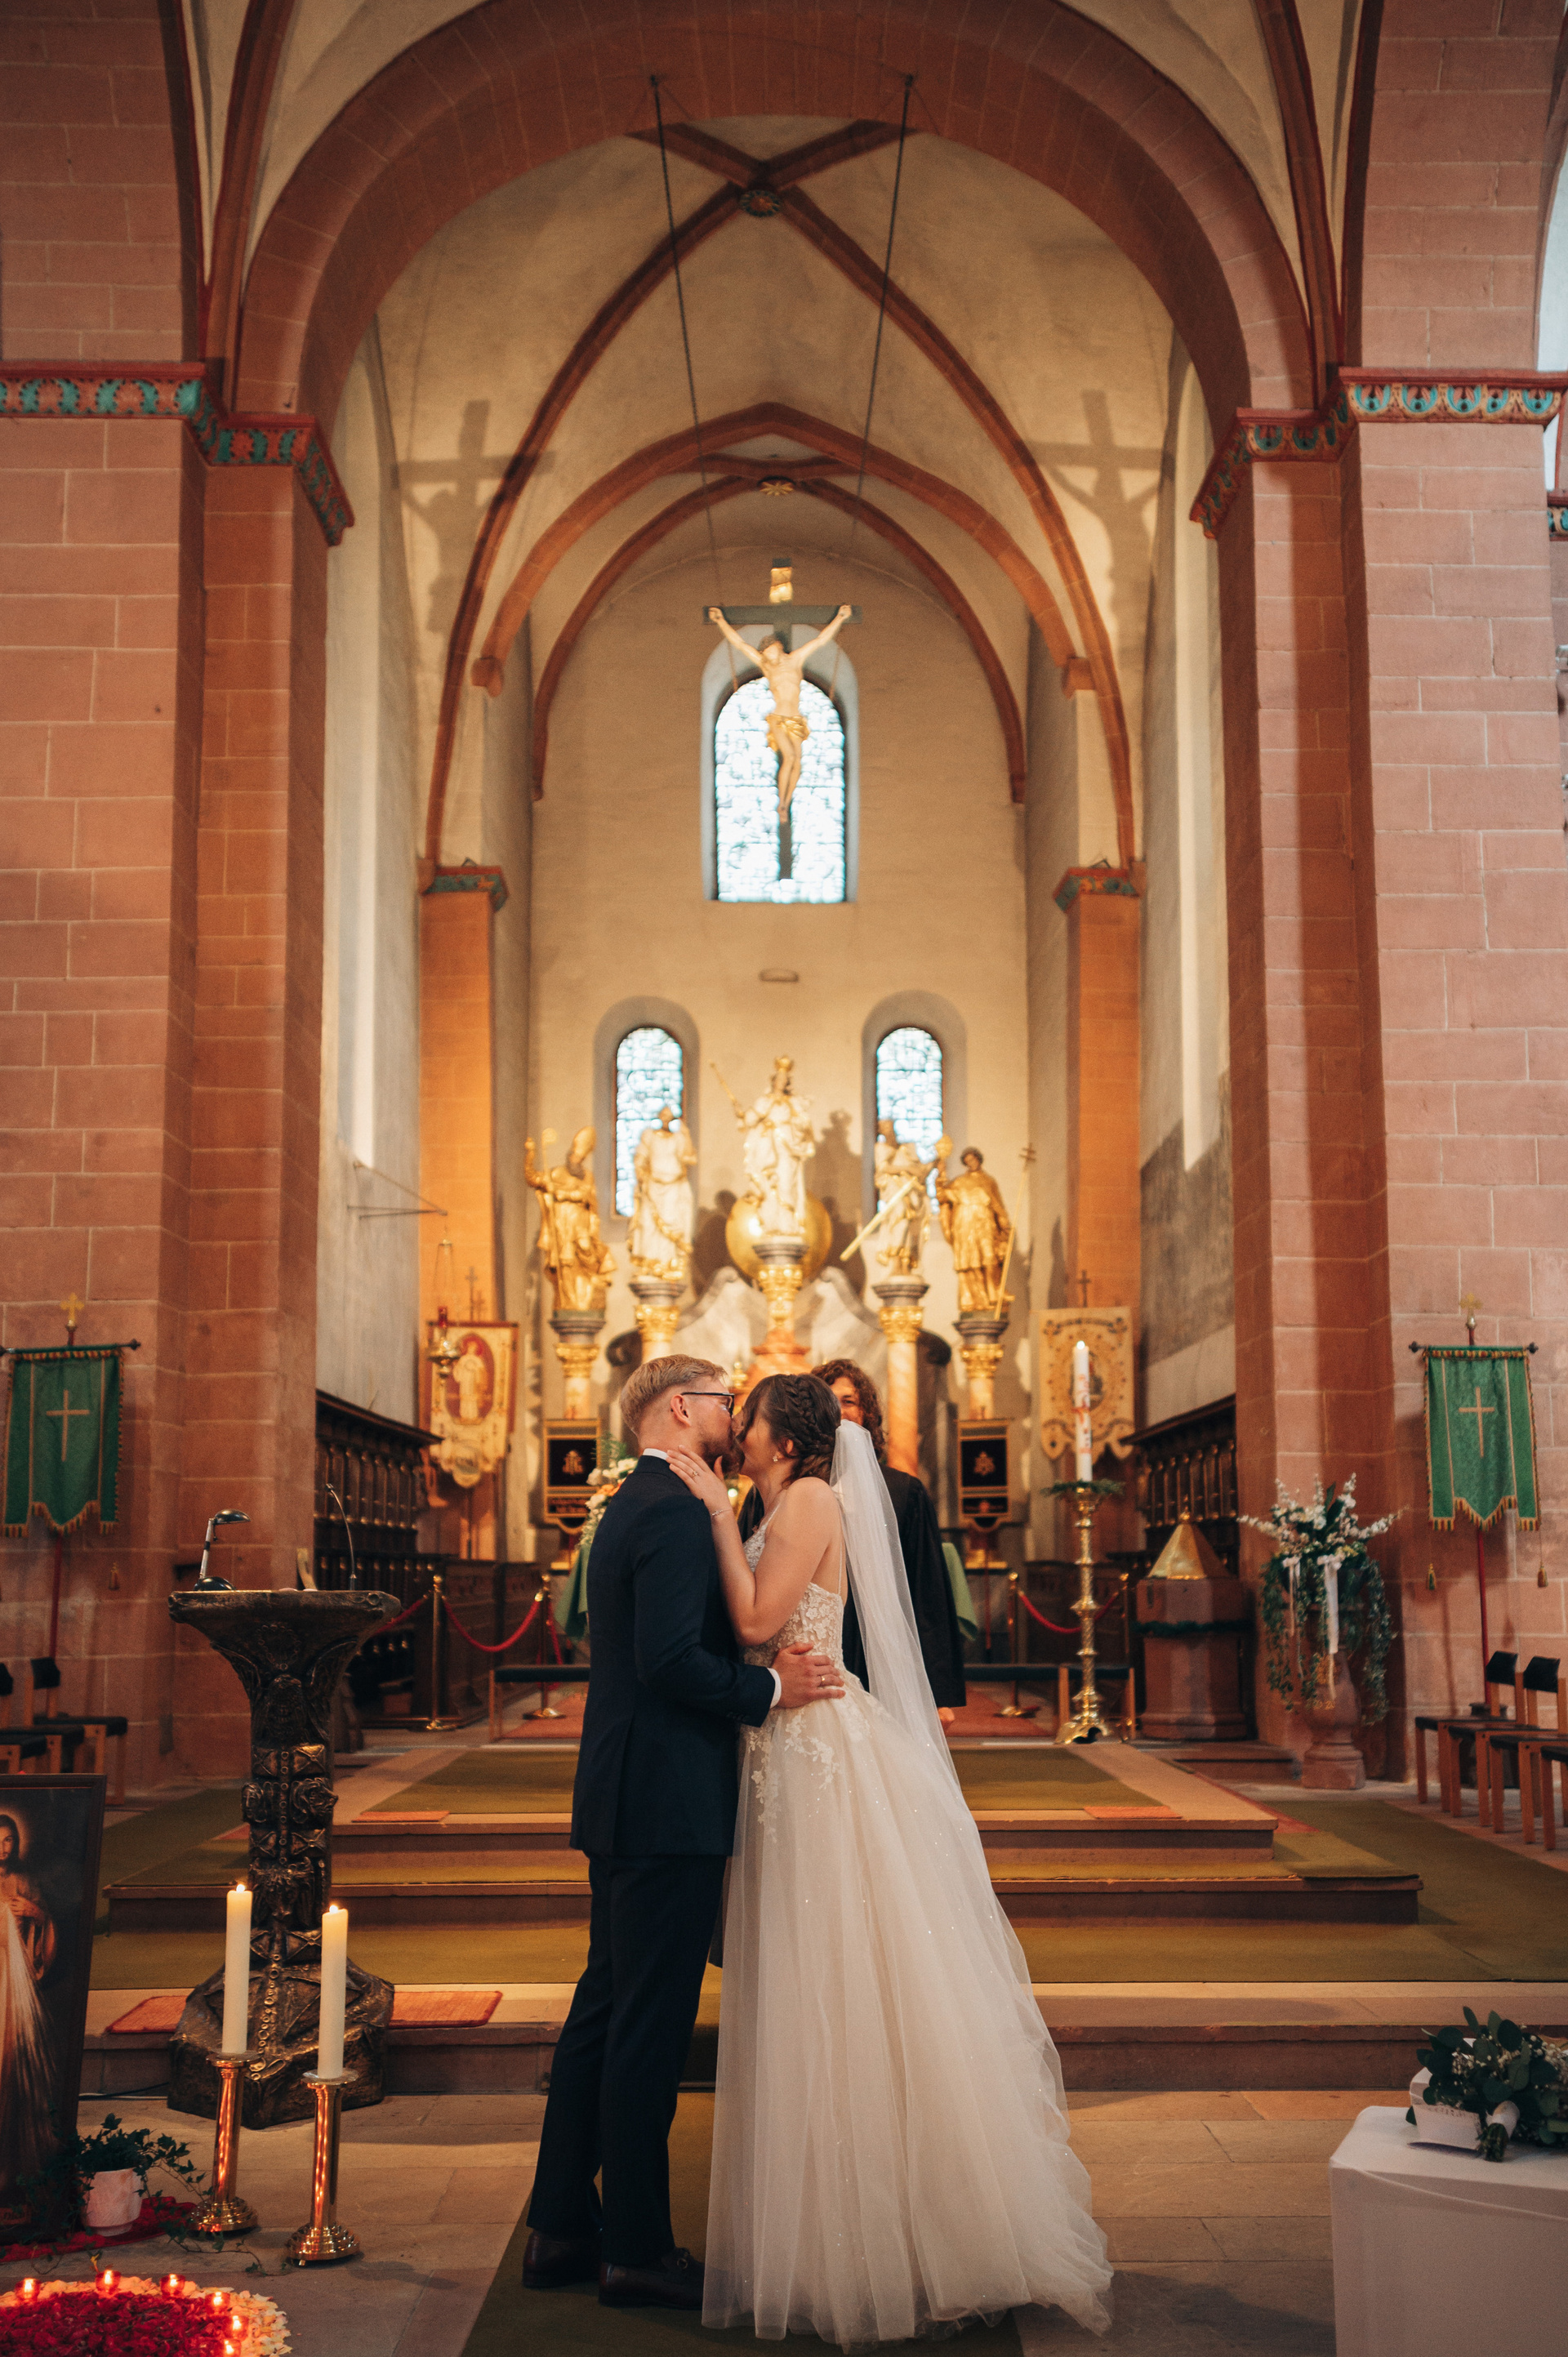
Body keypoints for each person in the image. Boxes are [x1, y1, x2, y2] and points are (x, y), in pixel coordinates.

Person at [667, 1375, 1111, 2345]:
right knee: (803, 1975)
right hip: (781, 1744)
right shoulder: (776, 1501)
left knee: (835, 1970)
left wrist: (714, 1515)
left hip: (815, 1755)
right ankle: (823, 2219)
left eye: (752, 1418)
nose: (740, 1429)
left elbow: (758, 1625)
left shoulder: (807, 1500)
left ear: (786, 1439)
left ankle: (889, 2233)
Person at [522, 1356, 844, 2313]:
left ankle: (559, 2226)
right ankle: (635, 2248)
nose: (732, 1415)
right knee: (648, 2031)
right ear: (679, 1407)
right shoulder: (668, 1509)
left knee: (606, 2009)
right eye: (722, 1400)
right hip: (666, 1803)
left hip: (633, 1795)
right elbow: (669, 1661)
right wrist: (771, 1688)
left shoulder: (645, 1502)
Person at [739, 1360, 966, 1720]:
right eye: (830, 1402)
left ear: (867, 1414)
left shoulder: (902, 1492)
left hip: (878, 1642)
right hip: (804, 1654)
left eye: (849, 1401)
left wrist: (938, 1694)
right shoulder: (770, 1492)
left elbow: (926, 1595)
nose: (839, 1412)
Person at [708, 605, 853, 820]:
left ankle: (787, 801)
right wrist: (720, 621)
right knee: (790, 757)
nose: (766, 657)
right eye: (764, 654)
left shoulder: (796, 659)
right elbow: (740, 644)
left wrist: (840, 618)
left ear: (777, 646)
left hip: (796, 719)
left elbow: (821, 640)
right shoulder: (768, 667)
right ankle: (781, 803)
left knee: (797, 761)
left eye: (768, 652)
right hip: (778, 718)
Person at [0, 1811, 56, 2179]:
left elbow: (45, 1929)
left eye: (8, 1839)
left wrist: (36, 1913)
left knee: (12, 2060)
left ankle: (11, 2157)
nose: (1, 1847)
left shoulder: (24, 1881)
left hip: (15, 1982)